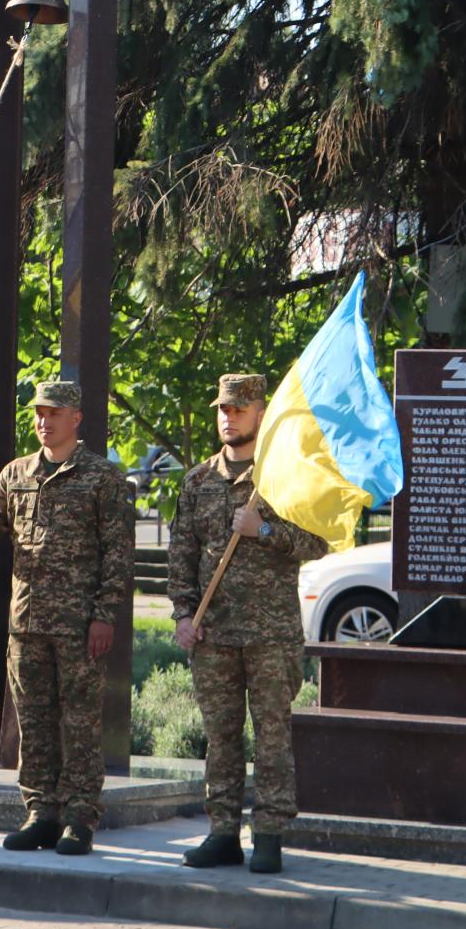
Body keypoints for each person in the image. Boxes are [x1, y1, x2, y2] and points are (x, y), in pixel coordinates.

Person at [0, 380, 135, 856]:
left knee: (79, 724)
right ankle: (40, 813)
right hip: (28, 624)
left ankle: (79, 817)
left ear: (75, 418)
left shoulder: (103, 479)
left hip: (80, 626)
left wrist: (104, 615)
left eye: (53, 413)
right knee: (33, 723)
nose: (43, 421)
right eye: (39, 413)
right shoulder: (16, 474)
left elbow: (117, 555)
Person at [169, 372, 329, 875]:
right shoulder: (197, 481)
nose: (228, 417)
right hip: (214, 633)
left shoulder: (282, 478)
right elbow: (182, 555)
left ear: (261, 414)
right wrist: (181, 615)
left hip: (269, 634)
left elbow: (316, 543)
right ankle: (222, 832)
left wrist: (263, 531)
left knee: (273, 735)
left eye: (238, 409)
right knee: (221, 736)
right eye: (223, 409)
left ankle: (270, 833)